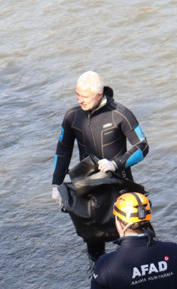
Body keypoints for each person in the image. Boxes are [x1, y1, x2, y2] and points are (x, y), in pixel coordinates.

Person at [51, 71, 149, 260]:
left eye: (84, 96)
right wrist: (56, 185)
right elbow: (63, 151)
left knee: (138, 244)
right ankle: (99, 281)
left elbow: (142, 146)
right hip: (88, 190)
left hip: (120, 187)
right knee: (95, 250)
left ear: (99, 94)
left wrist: (116, 164)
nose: (80, 100)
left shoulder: (120, 114)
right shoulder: (72, 116)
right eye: (77, 95)